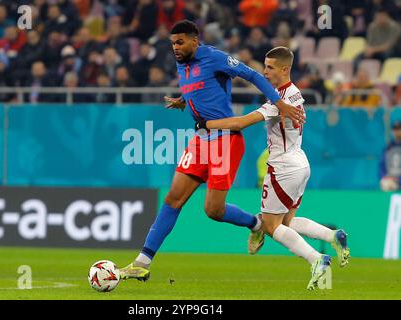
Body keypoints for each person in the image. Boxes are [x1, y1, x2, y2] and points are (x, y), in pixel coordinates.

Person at [119, 20, 303, 282]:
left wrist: (279, 102)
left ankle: (256, 224)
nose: (175, 48)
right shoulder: (182, 61)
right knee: (173, 199)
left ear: (195, 41)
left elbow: (251, 74)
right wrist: (187, 100)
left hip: (225, 140)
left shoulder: (215, 57)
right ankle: (142, 262)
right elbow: (200, 85)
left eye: (180, 42)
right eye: (172, 43)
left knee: (213, 211)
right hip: (200, 139)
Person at [195, 46, 350, 290]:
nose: (264, 72)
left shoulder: (280, 101)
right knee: (287, 222)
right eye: (264, 66)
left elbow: (240, 122)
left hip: (283, 167)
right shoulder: (294, 93)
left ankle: (317, 260)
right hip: (300, 162)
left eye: (270, 67)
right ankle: (333, 236)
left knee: (270, 226)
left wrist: (205, 123)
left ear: (285, 69)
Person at [379, 121, 401, 191]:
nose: (397, 131)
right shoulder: (389, 147)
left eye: (399, 129)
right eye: (395, 129)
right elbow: (382, 165)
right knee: (385, 183)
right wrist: (384, 176)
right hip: (391, 179)